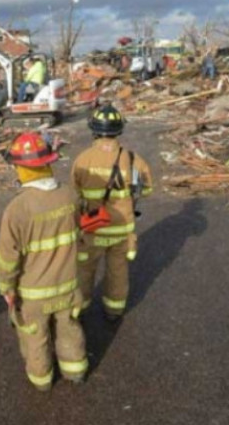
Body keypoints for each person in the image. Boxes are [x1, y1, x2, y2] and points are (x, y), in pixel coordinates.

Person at [0, 132, 88, 391]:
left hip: (34, 293)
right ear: (48, 163)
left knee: (35, 337)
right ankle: (76, 370)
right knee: (69, 328)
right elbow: (80, 235)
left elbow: (7, 259)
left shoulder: (17, 209)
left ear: (22, 168)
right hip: (68, 285)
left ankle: (42, 381)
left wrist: (6, 288)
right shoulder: (70, 197)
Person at [71, 105, 153, 321]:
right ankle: (114, 310)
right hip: (121, 231)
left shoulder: (83, 160)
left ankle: (80, 309)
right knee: (118, 272)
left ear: (94, 130)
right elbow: (147, 189)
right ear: (119, 130)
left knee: (85, 271)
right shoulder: (134, 160)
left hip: (92, 229)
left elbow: (74, 194)